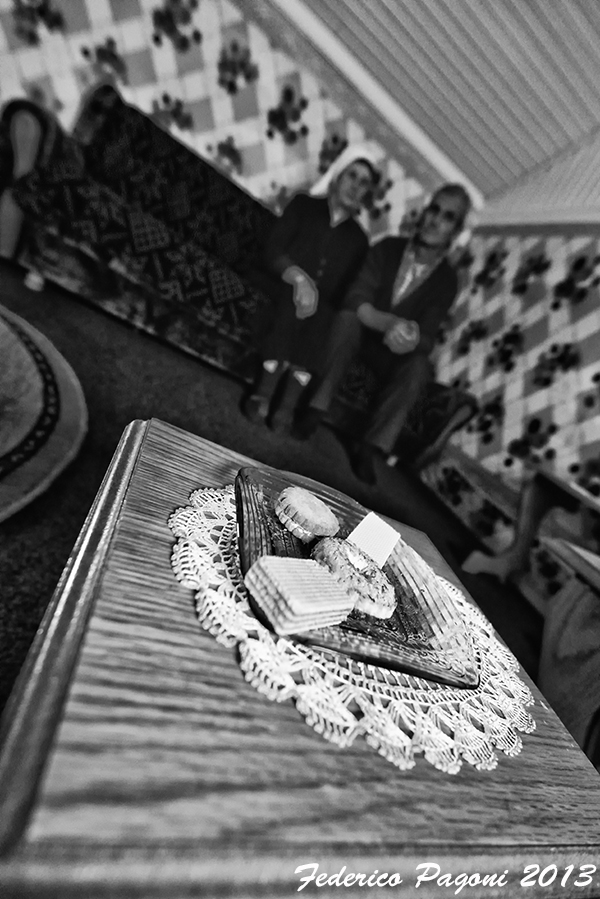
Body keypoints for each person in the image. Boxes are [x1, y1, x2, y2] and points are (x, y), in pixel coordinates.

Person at [296, 183, 472, 484]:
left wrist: (411, 336)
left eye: (447, 217)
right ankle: (315, 408)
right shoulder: (388, 248)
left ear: (454, 232)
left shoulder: (447, 281)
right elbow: (356, 297)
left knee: (420, 366)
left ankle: (369, 447)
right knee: (347, 318)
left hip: (393, 354)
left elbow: (428, 335)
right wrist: (388, 323)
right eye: (434, 209)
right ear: (424, 213)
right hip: (360, 335)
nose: (435, 220)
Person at [242, 145, 380, 431]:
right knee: (294, 301)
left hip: (318, 305)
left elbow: (346, 290)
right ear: (337, 177)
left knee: (325, 317)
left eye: (364, 182)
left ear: (366, 194)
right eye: (352, 175)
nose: (356, 185)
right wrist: (300, 280)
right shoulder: (303, 205)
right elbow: (273, 251)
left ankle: (287, 406)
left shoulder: (359, 240)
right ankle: (263, 394)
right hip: (279, 281)